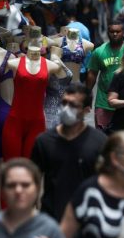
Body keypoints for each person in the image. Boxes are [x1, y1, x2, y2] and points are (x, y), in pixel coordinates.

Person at [31, 84, 107, 222]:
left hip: (86, 220)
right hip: (51, 219)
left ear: (86, 110)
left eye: (73, 105)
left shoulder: (100, 143)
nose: (66, 109)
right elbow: (33, 179)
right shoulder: (44, 141)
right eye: (64, 103)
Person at [86, 20, 124, 132]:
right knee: (102, 138)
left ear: (123, 33)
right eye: (112, 31)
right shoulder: (99, 51)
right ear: (107, 33)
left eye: (118, 31)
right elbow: (92, 74)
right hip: (103, 102)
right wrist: (87, 95)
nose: (115, 34)